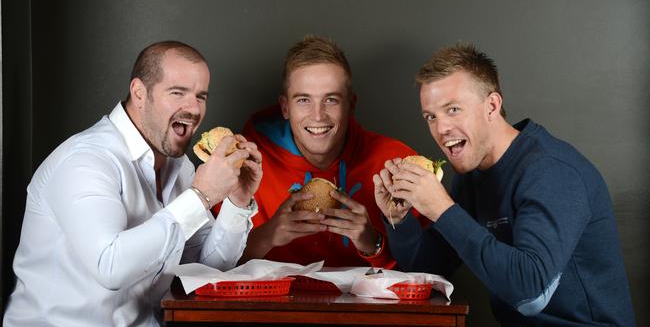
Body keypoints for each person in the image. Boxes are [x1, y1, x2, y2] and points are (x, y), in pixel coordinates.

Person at [3, 41, 263, 327]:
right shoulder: (87, 160)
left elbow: (206, 268)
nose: (193, 108)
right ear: (139, 93)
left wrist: (237, 202)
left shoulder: (181, 167)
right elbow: (110, 266)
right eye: (178, 93)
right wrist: (201, 196)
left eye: (201, 96)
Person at [375, 44, 635, 326]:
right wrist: (398, 219)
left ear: (492, 106)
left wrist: (442, 209)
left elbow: (529, 290)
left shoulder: (551, 171)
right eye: (431, 116)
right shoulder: (471, 175)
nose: (441, 129)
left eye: (453, 109)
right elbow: (428, 269)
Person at [238, 35, 422, 268]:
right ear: (285, 107)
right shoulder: (244, 163)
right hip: (267, 304)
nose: (318, 115)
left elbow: (428, 270)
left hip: (368, 305)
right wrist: (267, 236)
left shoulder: (397, 164)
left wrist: (373, 244)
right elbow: (208, 265)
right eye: (304, 100)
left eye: (331, 100)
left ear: (351, 105)